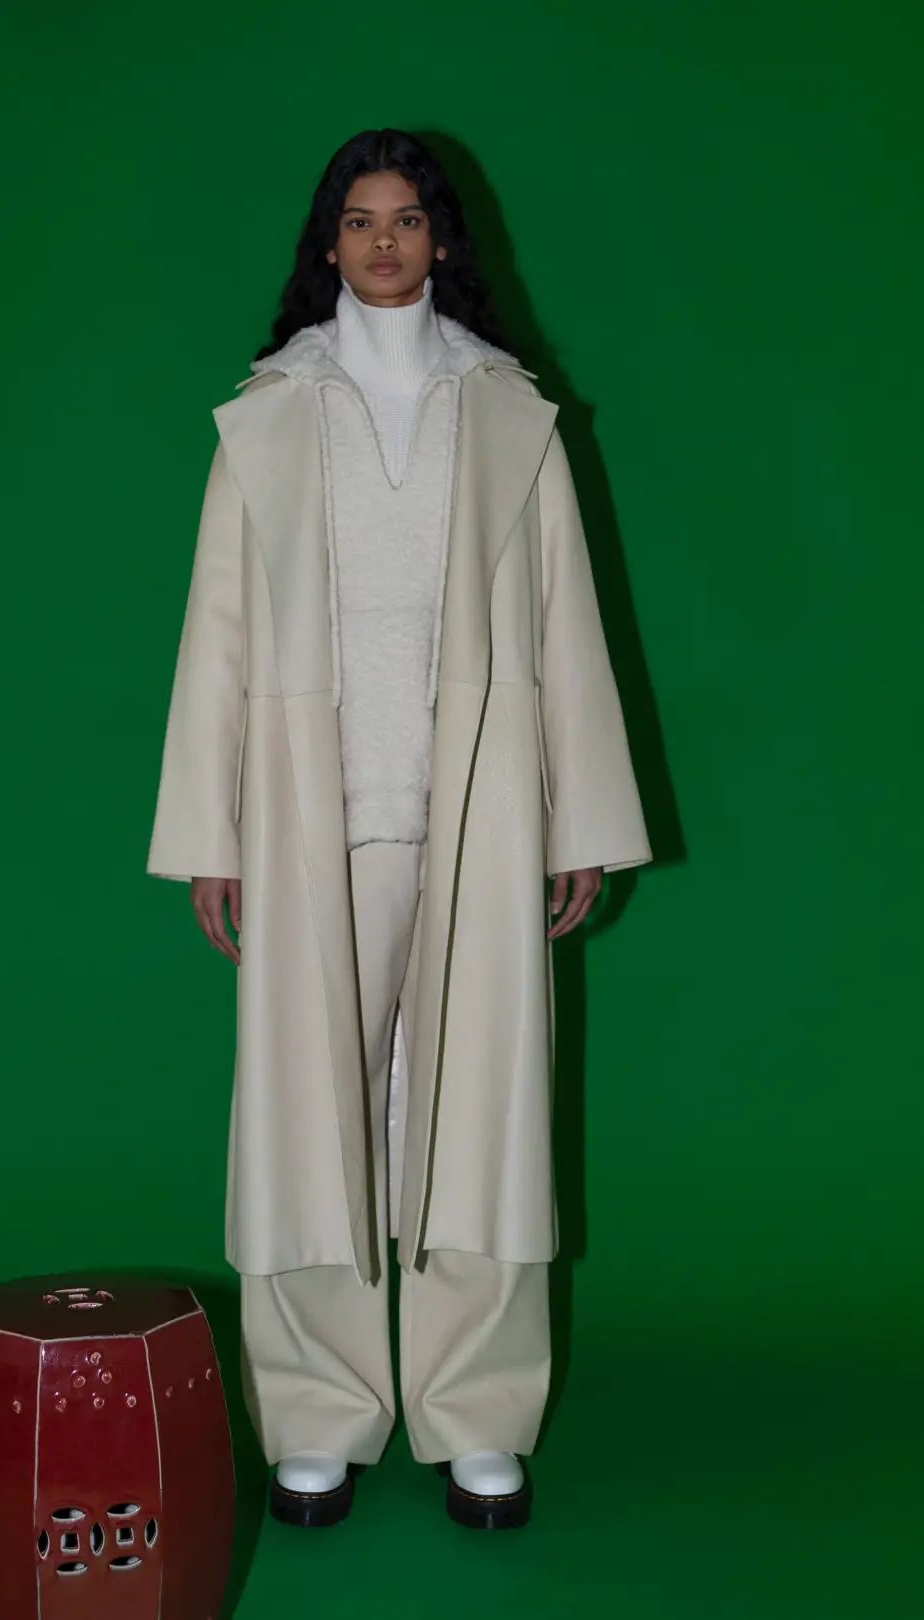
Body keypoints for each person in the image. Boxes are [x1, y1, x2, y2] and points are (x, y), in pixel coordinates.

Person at [147, 128, 651, 1530]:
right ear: (328, 241)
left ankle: (476, 1412)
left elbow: (566, 621)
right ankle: (317, 1412)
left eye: (409, 219)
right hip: (312, 813)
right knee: (307, 1119)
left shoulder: (510, 415)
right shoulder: (268, 416)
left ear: (442, 241)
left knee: (485, 1113)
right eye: (361, 219)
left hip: (477, 808)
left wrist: (578, 817)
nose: (384, 241)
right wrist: (210, 836)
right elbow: (216, 637)